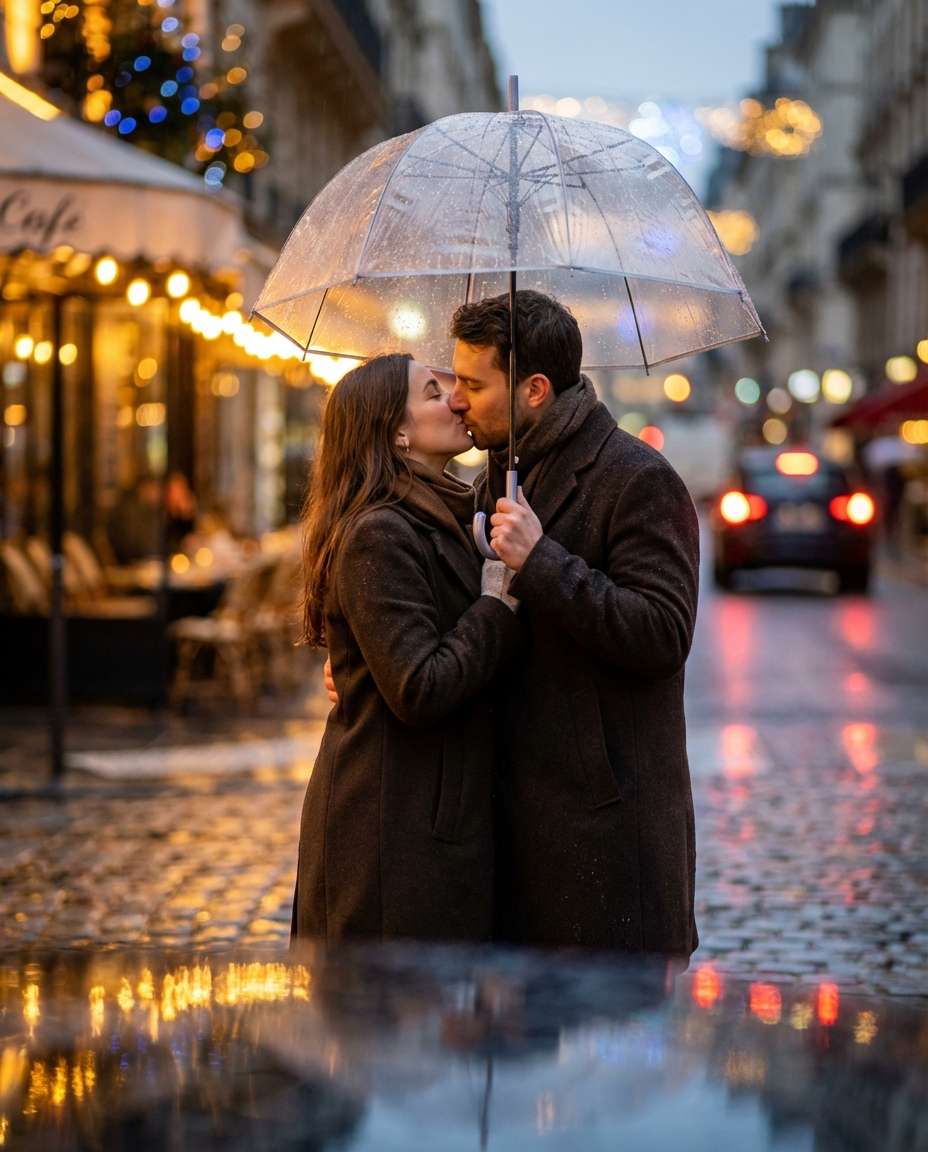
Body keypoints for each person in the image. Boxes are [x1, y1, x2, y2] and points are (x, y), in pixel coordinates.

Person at [448, 290, 701, 956]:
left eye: (474, 384)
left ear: (533, 389)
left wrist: (542, 561)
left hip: (604, 833)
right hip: (507, 828)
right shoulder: (492, 482)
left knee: (601, 1055)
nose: (456, 400)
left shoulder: (637, 479)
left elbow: (663, 633)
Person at [293, 352, 520, 944]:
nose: (456, 400)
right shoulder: (380, 533)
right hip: (388, 831)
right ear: (397, 432)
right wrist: (496, 601)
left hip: (426, 817)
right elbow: (418, 686)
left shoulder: (445, 510)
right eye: (432, 391)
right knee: (384, 1026)